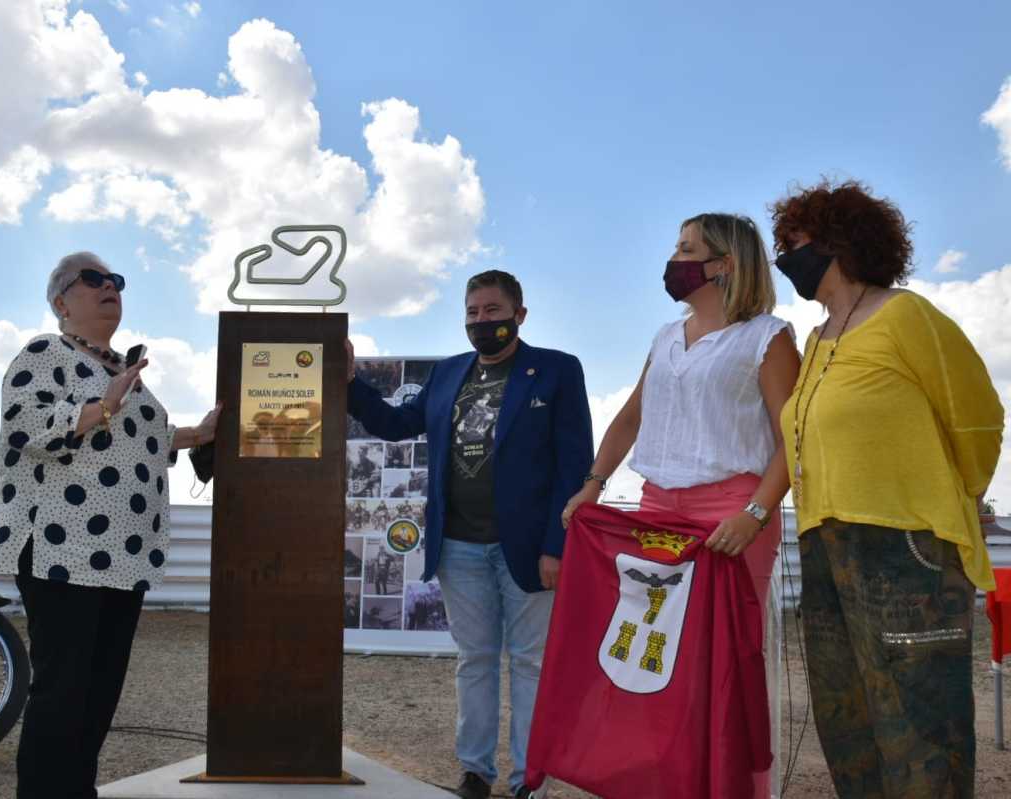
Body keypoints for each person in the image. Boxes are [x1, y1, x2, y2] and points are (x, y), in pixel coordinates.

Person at [770, 180, 1004, 799]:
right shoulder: (818, 340)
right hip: (826, 544)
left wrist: (963, 494)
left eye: (792, 242)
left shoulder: (906, 316)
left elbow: (977, 416)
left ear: (837, 240)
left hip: (905, 547)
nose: (783, 256)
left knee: (922, 722)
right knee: (847, 719)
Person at [561, 212, 800, 798]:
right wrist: (593, 483)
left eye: (687, 249)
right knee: (652, 651)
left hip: (732, 514)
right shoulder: (666, 335)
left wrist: (757, 514)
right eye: (677, 247)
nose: (674, 259)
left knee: (725, 661)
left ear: (725, 264)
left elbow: (796, 437)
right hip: (654, 509)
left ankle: (734, 787)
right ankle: (657, 779)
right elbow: (632, 416)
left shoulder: (768, 336)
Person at [346, 269, 593, 799]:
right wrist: (350, 384)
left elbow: (575, 464)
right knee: (475, 661)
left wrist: (558, 544)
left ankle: (531, 779)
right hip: (458, 545)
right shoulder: (448, 373)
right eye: (473, 313)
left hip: (528, 548)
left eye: (493, 311)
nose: (482, 322)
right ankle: (475, 772)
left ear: (519, 315)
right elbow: (394, 424)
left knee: (530, 663)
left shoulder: (557, 371)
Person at [0, 252, 221, 799]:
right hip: (61, 550)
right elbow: (27, 428)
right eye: (93, 279)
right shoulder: (45, 353)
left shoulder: (122, 369)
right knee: (62, 692)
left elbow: (147, 443)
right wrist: (101, 407)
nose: (109, 286)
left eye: (116, 280)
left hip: (123, 556)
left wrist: (198, 434)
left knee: (98, 694)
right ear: (62, 302)